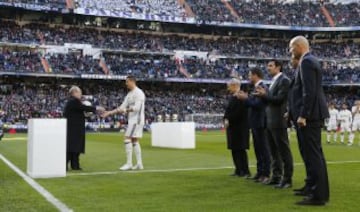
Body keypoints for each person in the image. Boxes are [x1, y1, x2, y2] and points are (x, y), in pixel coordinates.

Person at [288, 36, 329, 206]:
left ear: (298, 46)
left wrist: (304, 114)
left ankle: (318, 195)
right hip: (311, 115)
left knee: (313, 155)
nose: (290, 51)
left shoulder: (306, 62)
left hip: (310, 117)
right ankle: (312, 187)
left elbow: (309, 91)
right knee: (311, 154)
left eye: (291, 48)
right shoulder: (309, 61)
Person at [255, 60, 293, 189]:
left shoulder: (284, 80)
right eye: (267, 66)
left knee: (283, 151)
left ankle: (287, 179)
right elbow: (271, 100)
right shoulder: (273, 81)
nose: (268, 68)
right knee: (273, 152)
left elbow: (279, 100)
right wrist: (263, 96)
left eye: (270, 66)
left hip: (278, 120)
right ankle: (276, 176)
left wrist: (265, 95)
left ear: (278, 67)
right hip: (270, 120)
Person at [102, 76, 146, 171]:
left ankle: (129, 163)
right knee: (134, 140)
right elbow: (121, 107)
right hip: (133, 120)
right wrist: (109, 112)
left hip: (136, 120)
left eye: (127, 82)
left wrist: (126, 110)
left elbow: (137, 108)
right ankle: (139, 164)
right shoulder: (129, 94)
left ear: (132, 81)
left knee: (127, 138)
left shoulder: (139, 93)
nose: (126, 84)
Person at [236, 68, 271, 183]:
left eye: (250, 75)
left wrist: (246, 99)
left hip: (261, 122)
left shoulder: (262, 87)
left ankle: (265, 173)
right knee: (258, 149)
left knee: (263, 149)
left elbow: (258, 105)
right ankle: (260, 172)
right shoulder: (256, 87)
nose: (249, 77)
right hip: (256, 122)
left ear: (256, 75)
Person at [63, 86, 104, 170]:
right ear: (74, 93)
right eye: (79, 92)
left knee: (74, 148)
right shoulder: (73, 101)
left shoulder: (73, 102)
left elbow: (80, 110)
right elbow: (84, 108)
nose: (81, 94)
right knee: (72, 148)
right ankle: (67, 165)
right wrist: (96, 108)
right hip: (73, 130)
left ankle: (75, 165)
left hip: (75, 129)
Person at [224, 78, 250, 178]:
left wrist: (228, 119)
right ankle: (238, 170)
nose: (228, 88)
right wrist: (226, 118)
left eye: (229, 86)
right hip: (233, 128)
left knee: (240, 150)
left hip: (240, 128)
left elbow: (239, 113)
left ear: (234, 85)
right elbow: (228, 111)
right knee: (234, 149)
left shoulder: (241, 97)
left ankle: (245, 171)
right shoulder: (233, 97)